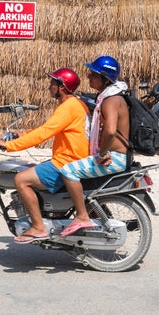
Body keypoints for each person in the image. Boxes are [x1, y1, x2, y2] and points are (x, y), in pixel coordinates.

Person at [0, 68, 89, 243]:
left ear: (62, 86)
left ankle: (38, 227)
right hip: (72, 157)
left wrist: (10, 145)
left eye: (53, 83)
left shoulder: (69, 106)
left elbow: (45, 132)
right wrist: (24, 134)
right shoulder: (74, 103)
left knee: (21, 179)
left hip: (67, 161)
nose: (49, 87)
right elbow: (49, 128)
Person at [55, 54, 130, 238]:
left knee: (67, 171)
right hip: (116, 155)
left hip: (116, 158)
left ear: (105, 78)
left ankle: (81, 216)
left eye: (93, 74)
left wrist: (102, 154)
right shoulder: (106, 97)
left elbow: (111, 131)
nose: (88, 77)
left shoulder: (110, 100)